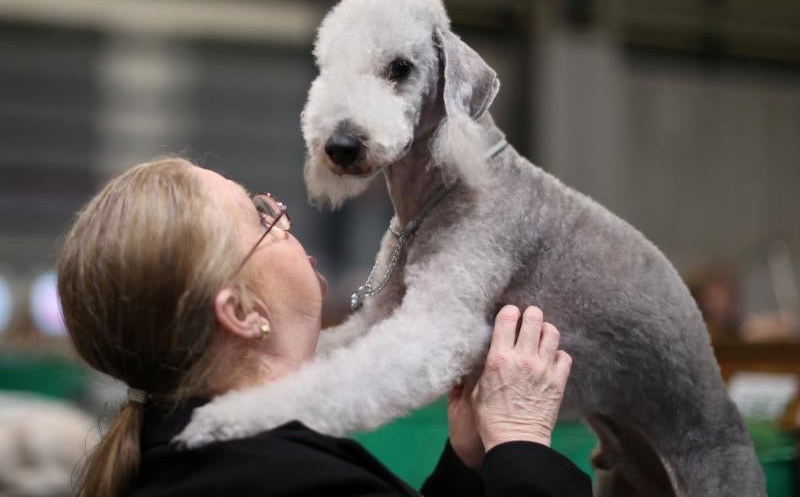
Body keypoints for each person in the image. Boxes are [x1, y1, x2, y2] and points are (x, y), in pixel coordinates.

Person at [57, 157, 591, 497]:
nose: (284, 218)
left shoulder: (188, 461)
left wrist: (467, 462)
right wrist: (521, 443)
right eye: (261, 216)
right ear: (241, 313)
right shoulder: (287, 481)